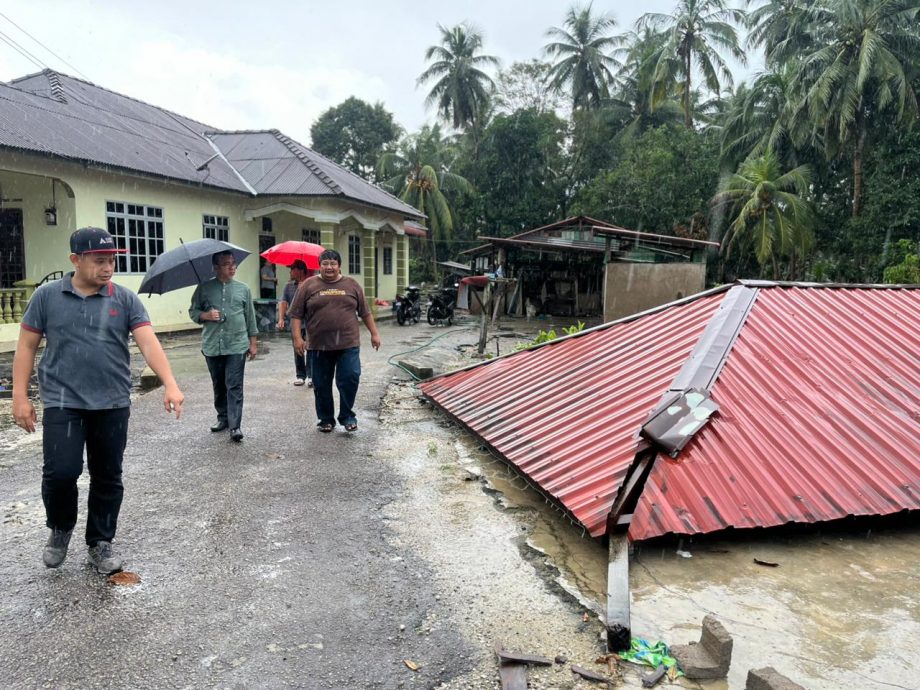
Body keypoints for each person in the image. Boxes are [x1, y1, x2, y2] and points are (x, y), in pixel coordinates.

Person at [12, 226, 185, 574]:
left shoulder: (123, 299)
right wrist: (20, 396)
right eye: (99, 261)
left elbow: (148, 342)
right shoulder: (47, 297)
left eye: (111, 261)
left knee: (107, 475)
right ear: (75, 260)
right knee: (61, 473)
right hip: (63, 400)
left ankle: (100, 542)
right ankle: (60, 528)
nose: (108, 268)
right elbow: (27, 345)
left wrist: (170, 383)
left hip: (112, 401)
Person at [288, 249, 381, 433]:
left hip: (348, 343)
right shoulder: (308, 285)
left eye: (332, 263)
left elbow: (365, 312)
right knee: (321, 384)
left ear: (339, 266)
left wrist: (374, 334)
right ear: (319, 265)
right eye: (325, 263)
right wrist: (297, 338)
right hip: (318, 345)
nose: (329, 267)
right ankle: (326, 419)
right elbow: (296, 315)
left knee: (350, 377)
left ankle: (347, 416)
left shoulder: (352, 284)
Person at [189, 251, 258, 443]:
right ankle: (223, 418)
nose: (232, 267)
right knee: (219, 385)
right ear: (216, 267)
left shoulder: (243, 289)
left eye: (233, 263)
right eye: (226, 264)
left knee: (234, 385)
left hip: (237, 344)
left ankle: (235, 426)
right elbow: (193, 312)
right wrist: (206, 316)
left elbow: (250, 317)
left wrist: (253, 343)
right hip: (212, 345)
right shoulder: (204, 288)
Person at [276, 259, 314, 387]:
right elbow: (283, 302)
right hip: (295, 323)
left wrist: (303, 288)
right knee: (297, 348)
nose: (291, 271)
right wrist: (281, 318)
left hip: (310, 322)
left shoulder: (311, 284)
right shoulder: (289, 286)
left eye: (292, 269)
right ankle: (300, 375)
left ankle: (311, 375)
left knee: (310, 348)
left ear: (301, 270)